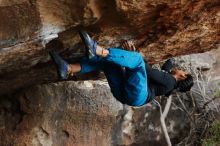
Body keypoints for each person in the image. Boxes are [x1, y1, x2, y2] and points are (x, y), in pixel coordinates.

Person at [49, 31, 194, 107]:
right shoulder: (169, 83)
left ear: (182, 77)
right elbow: (165, 69)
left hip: (138, 95)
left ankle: (97, 49)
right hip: (126, 97)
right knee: (109, 63)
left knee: (137, 59)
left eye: (183, 72)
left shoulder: (170, 81)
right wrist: (170, 62)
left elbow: (149, 71)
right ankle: (68, 69)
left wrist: (135, 54)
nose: (180, 70)